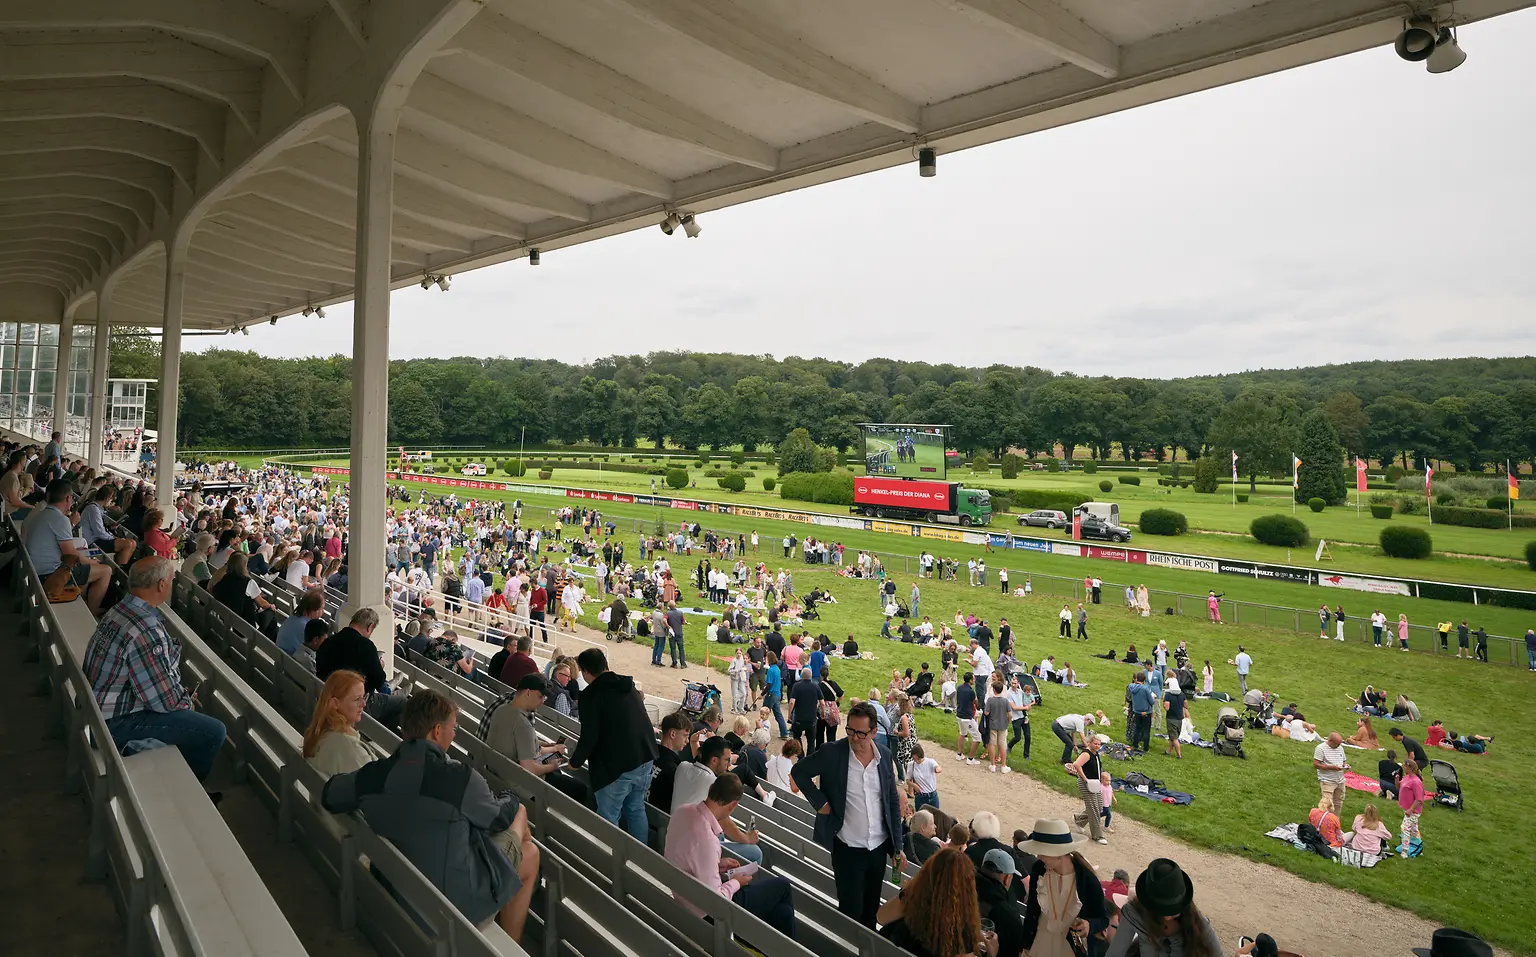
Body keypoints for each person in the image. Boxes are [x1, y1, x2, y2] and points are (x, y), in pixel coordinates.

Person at [321, 690, 540, 942]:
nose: (454, 734)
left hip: (394, 890)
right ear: (437, 731)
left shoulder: (375, 775)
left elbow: (330, 794)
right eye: (452, 728)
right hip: (453, 909)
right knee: (529, 846)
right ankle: (508, 943)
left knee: (519, 846)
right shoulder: (460, 778)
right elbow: (499, 818)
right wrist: (511, 797)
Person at [83, 556, 228, 784]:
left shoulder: (118, 610)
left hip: (98, 706)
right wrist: (185, 701)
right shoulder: (146, 628)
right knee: (213, 732)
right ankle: (188, 790)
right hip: (114, 723)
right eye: (170, 580)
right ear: (162, 584)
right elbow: (165, 702)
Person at [791, 701, 906, 928]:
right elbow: (799, 771)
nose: (854, 738)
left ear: (874, 732)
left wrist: (897, 847)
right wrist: (820, 802)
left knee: (871, 912)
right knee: (850, 913)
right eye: (850, 731)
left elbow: (892, 801)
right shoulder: (832, 752)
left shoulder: (883, 755)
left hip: (878, 850)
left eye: (860, 733)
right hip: (847, 850)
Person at [665, 773, 798, 940]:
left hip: (683, 893)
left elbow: (686, 855)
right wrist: (736, 882)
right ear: (733, 805)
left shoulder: (683, 812)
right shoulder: (707, 840)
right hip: (705, 912)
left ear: (711, 789)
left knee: (783, 913)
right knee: (783, 886)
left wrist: (717, 864)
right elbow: (716, 902)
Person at [567, 648, 658, 843]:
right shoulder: (628, 686)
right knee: (636, 809)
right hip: (645, 757)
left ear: (585, 671)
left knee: (608, 817)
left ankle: (609, 863)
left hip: (617, 767)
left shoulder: (591, 696)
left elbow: (589, 736)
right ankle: (640, 862)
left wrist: (575, 762)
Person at [874, 847, 991, 957]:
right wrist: (992, 953)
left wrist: (908, 891)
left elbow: (880, 917)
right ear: (968, 889)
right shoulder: (963, 936)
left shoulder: (909, 903)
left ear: (927, 873)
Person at [1016, 819, 1107, 956]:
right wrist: (1025, 943)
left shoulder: (1087, 880)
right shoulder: (1039, 869)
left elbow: (1102, 918)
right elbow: (1032, 909)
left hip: (1068, 947)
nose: (1038, 856)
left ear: (1058, 853)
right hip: (1040, 941)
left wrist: (1089, 925)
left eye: (1042, 852)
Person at [26, 477, 112, 614]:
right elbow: (71, 555)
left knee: (86, 569)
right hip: (50, 576)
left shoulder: (42, 515)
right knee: (106, 570)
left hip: (36, 572)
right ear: (67, 498)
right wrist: (92, 562)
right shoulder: (60, 519)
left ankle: (84, 601)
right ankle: (93, 610)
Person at [1102, 859, 1221, 957]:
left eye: (1173, 908)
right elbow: (1115, 953)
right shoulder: (1134, 913)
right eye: (1161, 909)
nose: (1168, 916)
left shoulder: (1198, 922)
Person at [302, 669, 387, 776]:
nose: (363, 704)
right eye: (357, 699)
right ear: (335, 703)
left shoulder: (320, 731)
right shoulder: (350, 749)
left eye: (363, 697)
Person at [1070, 736, 1110, 845]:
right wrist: (1085, 778)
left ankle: (1079, 820)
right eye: (1095, 744)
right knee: (1094, 809)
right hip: (1087, 784)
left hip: (1095, 783)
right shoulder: (1086, 754)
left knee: (1098, 806)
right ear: (1089, 743)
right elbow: (1077, 764)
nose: (1097, 746)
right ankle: (1097, 836)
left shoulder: (1095, 753)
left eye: (1099, 744)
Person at [276, 589, 326, 655]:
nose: (323, 612)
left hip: (280, 657)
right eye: (321, 608)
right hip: (291, 662)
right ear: (314, 610)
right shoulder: (307, 628)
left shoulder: (292, 618)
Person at [1313, 732, 1348, 816]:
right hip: (1327, 780)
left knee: (1338, 802)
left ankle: (1335, 822)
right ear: (1330, 741)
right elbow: (1316, 764)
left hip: (1340, 779)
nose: (1338, 746)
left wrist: (1345, 766)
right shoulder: (1320, 748)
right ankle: (1324, 822)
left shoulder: (1340, 748)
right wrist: (1332, 767)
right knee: (1326, 803)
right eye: (1336, 744)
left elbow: (1343, 761)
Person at [1397, 758, 1426, 854]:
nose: (1403, 767)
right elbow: (1399, 786)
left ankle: (1405, 850)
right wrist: (1397, 779)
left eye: (1404, 766)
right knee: (1414, 830)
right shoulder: (1406, 777)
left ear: (1410, 768)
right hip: (1407, 808)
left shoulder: (1416, 782)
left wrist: (1411, 809)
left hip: (1412, 811)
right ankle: (1419, 848)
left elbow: (1419, 798)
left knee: (1405, 828)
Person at [954, 671, 981, 765]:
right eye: (973, 679)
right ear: (970, 680)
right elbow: (976, 704)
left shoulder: (959, 688)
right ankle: (970, 759)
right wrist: (977, 698)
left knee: (962, 733)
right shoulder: (970, 691)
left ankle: (959, 754)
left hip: (959, 715)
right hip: (967, 717)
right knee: (977, 737)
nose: (974, 680)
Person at [1125, 673, 1155, 754]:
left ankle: (1135, 745)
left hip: (1136, 711)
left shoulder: (1131, 686)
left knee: (1137, 729)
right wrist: (1153, 697)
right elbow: (1152, 702)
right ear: (1144, 680)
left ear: (1136, 679)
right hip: (1146, 712)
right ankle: (1145, 748)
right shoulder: (1145, 689)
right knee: (1146, 730)